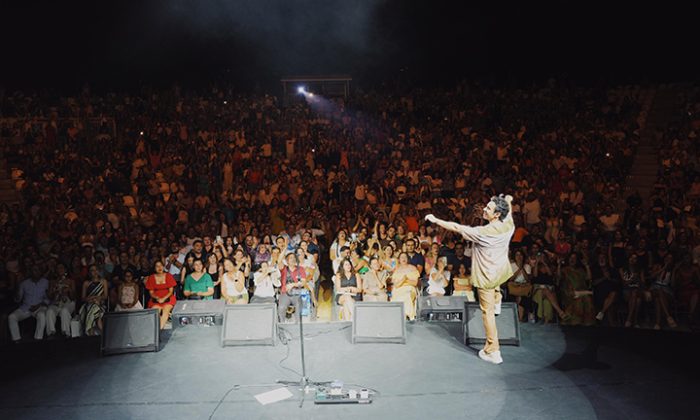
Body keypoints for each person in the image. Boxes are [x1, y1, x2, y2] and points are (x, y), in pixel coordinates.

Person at [426, 194, 515, 365]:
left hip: (487, 276)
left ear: (497, 214)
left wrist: (436, 219)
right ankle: (498, 299)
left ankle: (493, 350)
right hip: (500, 271)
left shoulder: (482, 233)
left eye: (489, 208)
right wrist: (509, 201)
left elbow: (456, 227)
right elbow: (509, 211)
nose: (485, 209)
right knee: (496, 293)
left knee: (487, 313)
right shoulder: (508, 224)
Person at [8, 265, 50, 342]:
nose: (36, 272)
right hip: (27, 307)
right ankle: (16, 340)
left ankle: (38, 339)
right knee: (12, 317)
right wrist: (17, 287)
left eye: (38, 270)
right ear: (30, 272)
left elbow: (48, 298)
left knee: (42, 315)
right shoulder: (24, 283)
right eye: (34, 270)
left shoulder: (46, 282)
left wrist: (39, 304)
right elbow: (18, 299)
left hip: (40, 306)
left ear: (41, 272)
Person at [144, 261, 177, 329]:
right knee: (156, 312)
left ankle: (159, 331)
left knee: (165, 311)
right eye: (157, 266)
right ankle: (155, 330)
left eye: (161, 265)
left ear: (163, 266)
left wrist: (163, 298)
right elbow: (151, 293)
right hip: (156, 299)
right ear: (154, 268)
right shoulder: (151, 277)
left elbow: (171, 291)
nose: (159, 268)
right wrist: (157, 298)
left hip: (168, 298)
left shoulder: (168, 275)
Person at [46, 262, 76, 336]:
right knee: (49, 311)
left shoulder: (70, 281)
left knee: (64, 310)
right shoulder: (52, 282)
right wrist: (54, 292)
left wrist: (69, 290)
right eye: (58, 268)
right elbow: (50, 297)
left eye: (62, 268)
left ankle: (66, 332)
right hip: (56, 302)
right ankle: (51, 333)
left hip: (68, 302)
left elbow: (73, 297)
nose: (60, 270)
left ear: (65, 269)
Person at [389, 252, 420, 320]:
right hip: (398, 289)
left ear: (408, 259)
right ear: (399, 259)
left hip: (410, 288)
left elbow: (415, 283)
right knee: (396, 296)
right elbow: (396, 285)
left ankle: (408, 316)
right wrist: (404, 279)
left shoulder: (413, 268)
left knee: (407, 295)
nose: (403, 259)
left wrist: (404, 280)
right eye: (401, 257)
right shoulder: (397, 269)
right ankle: (399, 316)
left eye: (405, 257)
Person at [79, 264, 109, 336]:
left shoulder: (103, 281)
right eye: (92, 270)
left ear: (99, 271)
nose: (95, 272)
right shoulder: (86, 283)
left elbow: (105, 296)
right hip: (89, 304)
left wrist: (97, 298)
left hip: (100, 304)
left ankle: (91, 334)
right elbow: (83, 298)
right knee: (93, 311)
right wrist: (91, 299)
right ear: (89, 273)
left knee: (95, 310)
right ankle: (99, 334)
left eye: (96, 270)